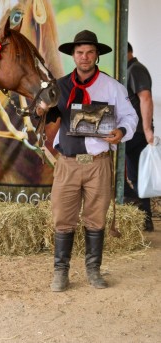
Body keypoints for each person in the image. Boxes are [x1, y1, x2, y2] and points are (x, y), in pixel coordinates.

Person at [46, 30, 138, 292]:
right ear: (73, 56)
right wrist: (41, 107)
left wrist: (120, 132)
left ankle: (93, 270)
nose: (84, 57)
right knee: (63, 217)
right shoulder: (60, 86)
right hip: (67, 163)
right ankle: (60, 272)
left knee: (96, 217)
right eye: (79, 52)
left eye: (89, 52)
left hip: (98, 163)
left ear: (97, 55)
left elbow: (130, 117)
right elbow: (44, 116)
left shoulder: (112, 87)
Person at [125, 42, 155, 232]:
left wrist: (146, 129)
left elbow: (146, 98)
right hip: (132, 132)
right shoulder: (130, 69)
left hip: (136, 133)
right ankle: (143, 218)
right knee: (136, 177)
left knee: (118, 172)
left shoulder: (135, 69)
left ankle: (138, 209)